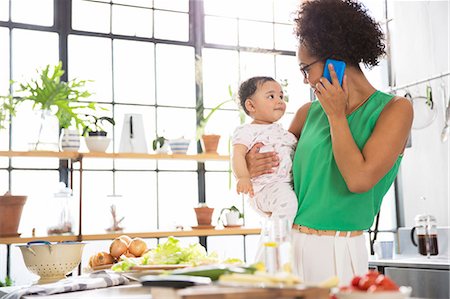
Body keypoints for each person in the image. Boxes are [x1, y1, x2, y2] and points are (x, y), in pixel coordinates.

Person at [245, 0, 413, 285]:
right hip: (283, 242)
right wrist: (251, 162)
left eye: (306, 69)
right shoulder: (307, 113)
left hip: (340, 249)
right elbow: (275, 170)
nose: (305, 80)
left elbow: (358, 180)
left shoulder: (395, 109)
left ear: (335, 59)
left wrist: (337, 116)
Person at [231, 76, 298, 230]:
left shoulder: (283, 132)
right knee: (288, 202)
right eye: (271, 96)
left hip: (284, 186)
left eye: (281, 96)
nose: (280, 101)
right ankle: (275, 245)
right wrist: (243, 177)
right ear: (251, 105)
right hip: (264, 189)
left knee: (290, 202)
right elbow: (238, 154)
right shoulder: (246, 131)